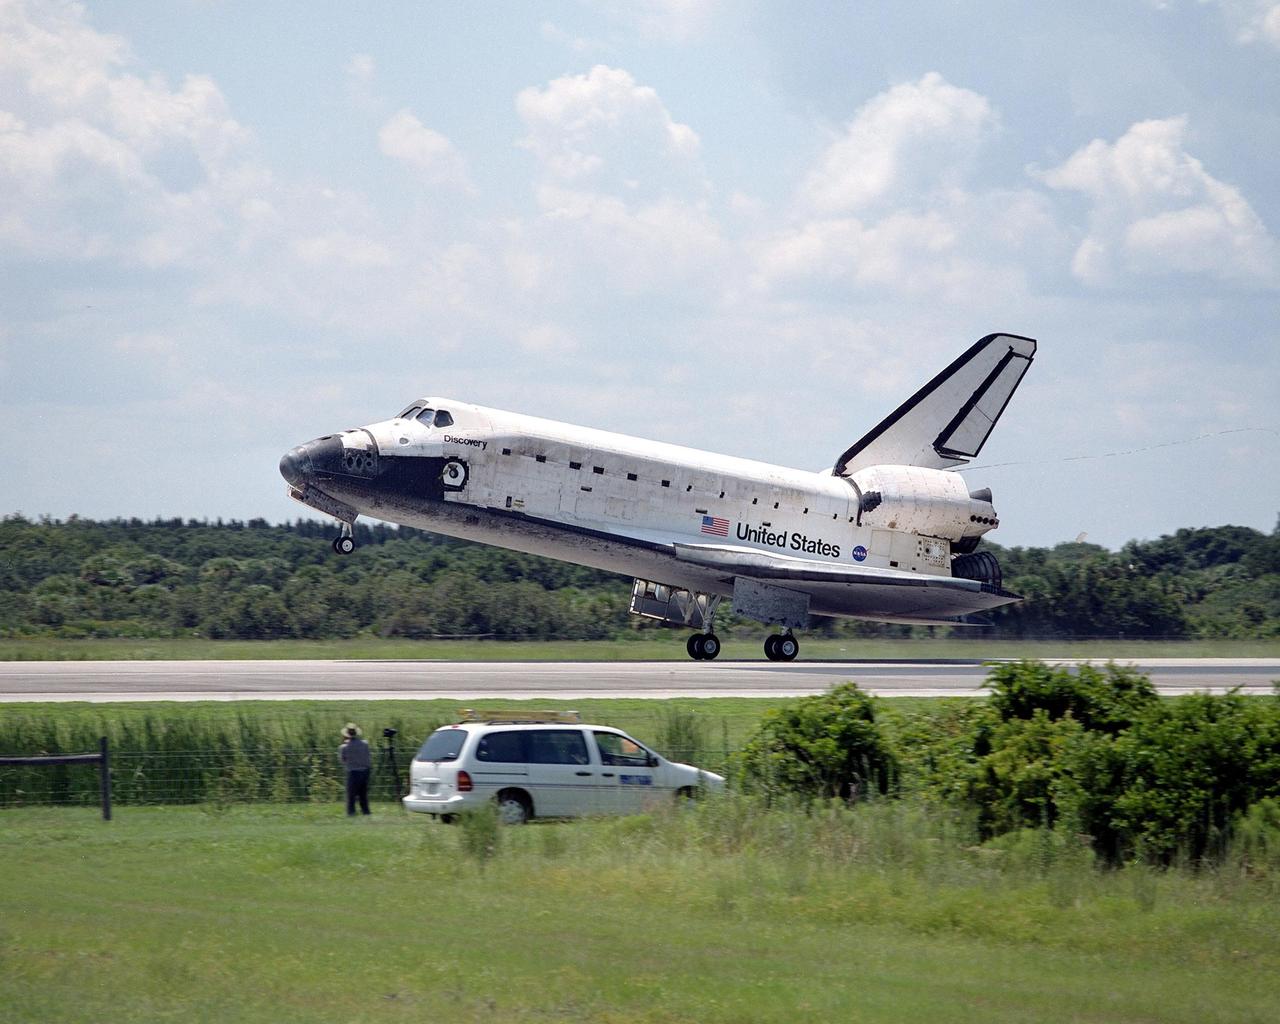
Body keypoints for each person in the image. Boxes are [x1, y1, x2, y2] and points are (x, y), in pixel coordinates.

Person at [339, 723, 372, 816]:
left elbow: (343, 760)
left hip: (353, 772)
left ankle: (351, 813)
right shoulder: (365, 744)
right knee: (363, 795)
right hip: (365, 771)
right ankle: (366, 812)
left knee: (351, 795)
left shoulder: (344, 747)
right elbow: (368, 757)